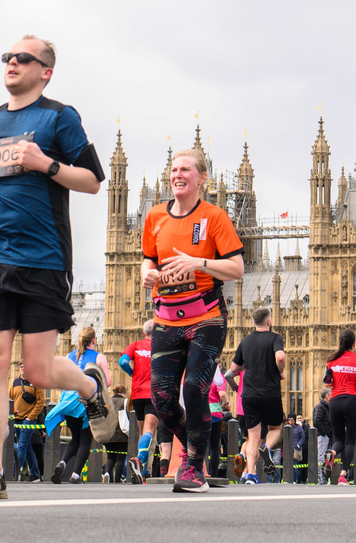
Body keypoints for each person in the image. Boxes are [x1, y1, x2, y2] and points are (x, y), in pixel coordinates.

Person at [0, 37, 110, 500]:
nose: (12, 63)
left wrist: (47, 163)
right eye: (8, 58)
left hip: (44, 257)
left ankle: (87, 383)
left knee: (37, 372)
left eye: (23, 58)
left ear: (46, 71)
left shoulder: (60, 117)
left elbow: (94, 181)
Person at [140, 155, 244, 496]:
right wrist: (146, 273)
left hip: (207, 318)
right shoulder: (155, 216)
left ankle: (193, 466)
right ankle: (198, 449)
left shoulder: (214, 217)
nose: (178, 174)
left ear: (202, 178)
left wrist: (197, 262)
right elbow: (148, 258)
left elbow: (237, 268)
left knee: (194, 390)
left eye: (185, 169)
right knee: (162, 398)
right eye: (173, 169)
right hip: (166, 318)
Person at [48, 327, 114, 484]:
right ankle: (75, 475)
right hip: (85, 403)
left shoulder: (70, 356)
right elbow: (108, 382)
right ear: (94, 341)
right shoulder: (99, 357)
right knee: (85, 441)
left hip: (68, 402)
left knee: (74, 438)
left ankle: (62, 463)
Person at [230, 307, 286, 486]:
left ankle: (250, 474)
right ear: (268, 321)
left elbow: (233, 369)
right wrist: (281, 372)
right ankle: (266, 448)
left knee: (252, 436)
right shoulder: (275, 338)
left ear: (253, 322)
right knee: (275, 428)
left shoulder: (245, 341)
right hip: (270, 393)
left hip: (249, 396)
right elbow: (281, 357)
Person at [321, 328, 356, 486]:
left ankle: (332, 452)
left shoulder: (331, 361)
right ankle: (343, 476)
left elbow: (326, 383)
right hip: (352, 400)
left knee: (339, 440)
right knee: (350, 441)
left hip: (335, 401)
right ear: (354, 344)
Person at [121, 320, 156, 479]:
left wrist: (131, 372)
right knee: (150, 431)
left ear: (144, 333)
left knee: (142, 433)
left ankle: (145, 472)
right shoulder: (159, 346)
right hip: (153, 393)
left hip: (137, 394)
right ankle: (139, 460)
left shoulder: (135, 345)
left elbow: (123, 362)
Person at [10, 363, 45, 481]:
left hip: (28, 420)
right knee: (27, 447)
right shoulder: (15, 382)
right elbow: (10, 399)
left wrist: (31, 417)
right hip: (17, 419)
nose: (22, 369)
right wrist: (13, 412)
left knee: (22, 445)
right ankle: (35, 474)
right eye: (20, 367)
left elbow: (41, 402)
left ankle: (13, 474)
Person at [104, 384, 130, 482]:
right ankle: (117, 479)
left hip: (108, 434)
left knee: (110, 457)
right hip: (122, 435)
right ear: (123, 392)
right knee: (120, 458)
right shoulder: (125, 402)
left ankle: (107, 473)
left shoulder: (107, 402)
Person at [313, 389, 332, 485]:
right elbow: (316, 421)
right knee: (321, 457)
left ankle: (324, 477)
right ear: (327, 396)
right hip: (322, 436)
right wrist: (324, 432)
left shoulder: (326, 407)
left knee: (326, 457)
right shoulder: (320, 407)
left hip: (327, 435)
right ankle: (321, 478)